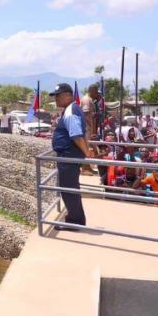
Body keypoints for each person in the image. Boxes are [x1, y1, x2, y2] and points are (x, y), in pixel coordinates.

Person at [49, 83, 93, 230]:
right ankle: (75, 218)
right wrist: (86, 150)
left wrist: (86, 152)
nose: (56, 99)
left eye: (58, 96)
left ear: (68, 95)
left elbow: (76, 135)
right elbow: (83, 132)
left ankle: (74, 222)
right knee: (71, 187)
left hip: (68, 155)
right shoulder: (74, 109)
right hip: (69, 155)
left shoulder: (70, 112)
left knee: (68, 189)